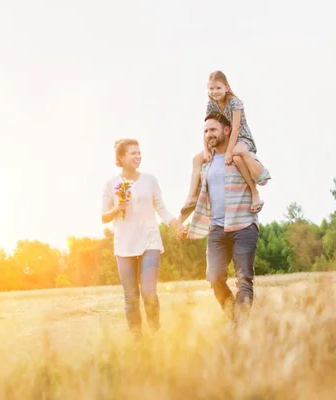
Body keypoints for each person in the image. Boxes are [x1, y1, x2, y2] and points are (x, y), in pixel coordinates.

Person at [177, 113, 270, 326]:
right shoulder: (205, 163)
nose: (209, 134)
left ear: (226, 130)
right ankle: (237, 319)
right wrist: (180, 221)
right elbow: (194, 196)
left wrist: (247, 156)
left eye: (213, 129)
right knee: (214, 277)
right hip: (217, 228)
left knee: (244, 278)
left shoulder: (238, 153)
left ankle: (240, 328)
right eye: (206, 131)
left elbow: (263, 177)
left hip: (244, 225)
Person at [102, 138, 182, 337]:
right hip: (124, 245)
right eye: (133, 153)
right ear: (121, 157)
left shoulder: (150, 180)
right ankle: (137, 341)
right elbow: (103, 217)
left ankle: (156, 333)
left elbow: (161, 208)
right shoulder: (111, 184)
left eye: (139, 153)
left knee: (148, 292)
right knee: (131, 297)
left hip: (150, 241)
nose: (138, 156)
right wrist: (116, 208)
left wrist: (176, 224)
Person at [181, 70, 270, 216]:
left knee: (236, 157)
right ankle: (191, 197)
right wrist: (206, 149)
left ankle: (255, 193)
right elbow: (207, 126)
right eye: (211, 88)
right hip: (225, 137)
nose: (214, 92)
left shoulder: (235, 103)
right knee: (197, 159)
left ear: (226, 88)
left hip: (241, 138)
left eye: (218, 88)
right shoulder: (211, 104)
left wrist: (228, 151)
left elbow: (235, 129)